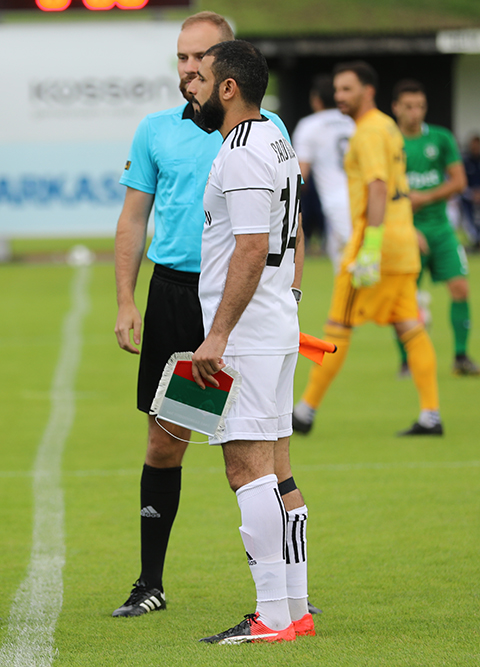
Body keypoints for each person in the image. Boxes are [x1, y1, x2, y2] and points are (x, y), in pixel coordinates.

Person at [112, 11, 312, 620]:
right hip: (182, 297)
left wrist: (248, 316)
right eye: (182, 58)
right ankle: (154, 583)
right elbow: (133, 218)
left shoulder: (250, 139)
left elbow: (267, 239)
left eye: (202, 59)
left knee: (252, 463)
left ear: (229, 71)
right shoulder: (161, 130)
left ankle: (278, 608)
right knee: (169, 442)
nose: (190, 70)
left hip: (235, 310)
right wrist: (127, 298)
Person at [187, 39, 307, 644]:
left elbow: (253, 247)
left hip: (248, 334)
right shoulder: (276, 141)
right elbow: (292, 234)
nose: (193, 86)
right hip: (274, 325)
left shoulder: (239, 150)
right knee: (279, 471)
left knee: (246, 470)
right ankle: (296, 609)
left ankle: (272, 617)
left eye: (202, 78)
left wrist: (218, 334)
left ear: (228, 88)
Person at [293, 61, 442, 436]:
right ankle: (431, 415)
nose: (339, 96)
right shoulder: (387, 126)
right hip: (401, 244)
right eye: (337, 90)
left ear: (368, 91)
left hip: (374, 244)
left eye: (347, 89)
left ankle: (304, 412)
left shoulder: (369, 132)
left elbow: (377, 186)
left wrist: (371, 247)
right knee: (410, 325)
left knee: (338, 326)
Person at [390, 80, 477, 377]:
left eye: (420, 106)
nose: (415, 113)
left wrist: (424, 197)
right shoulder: (389, 142)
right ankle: (406, 361)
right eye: (409, 106)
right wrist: (404, 222)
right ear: (396, 108)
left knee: (460, 288)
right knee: (403, 298)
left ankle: (461, 357)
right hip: (405, 231)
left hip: (441, 229)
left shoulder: (440, 138)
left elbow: (459, 182)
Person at [292, 74, 356, 272]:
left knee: (356, 267)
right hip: (361, 196)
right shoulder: (353, 121)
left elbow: (301, 176)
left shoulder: (309, 125)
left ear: (316, 99)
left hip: (338, 203)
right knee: (347, 267)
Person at [459, 134, 480, 249]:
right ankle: (475, 241)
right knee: (470, 220)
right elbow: (460, 182)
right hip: (468, 198)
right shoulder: (465, 162)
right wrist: (471, 194)